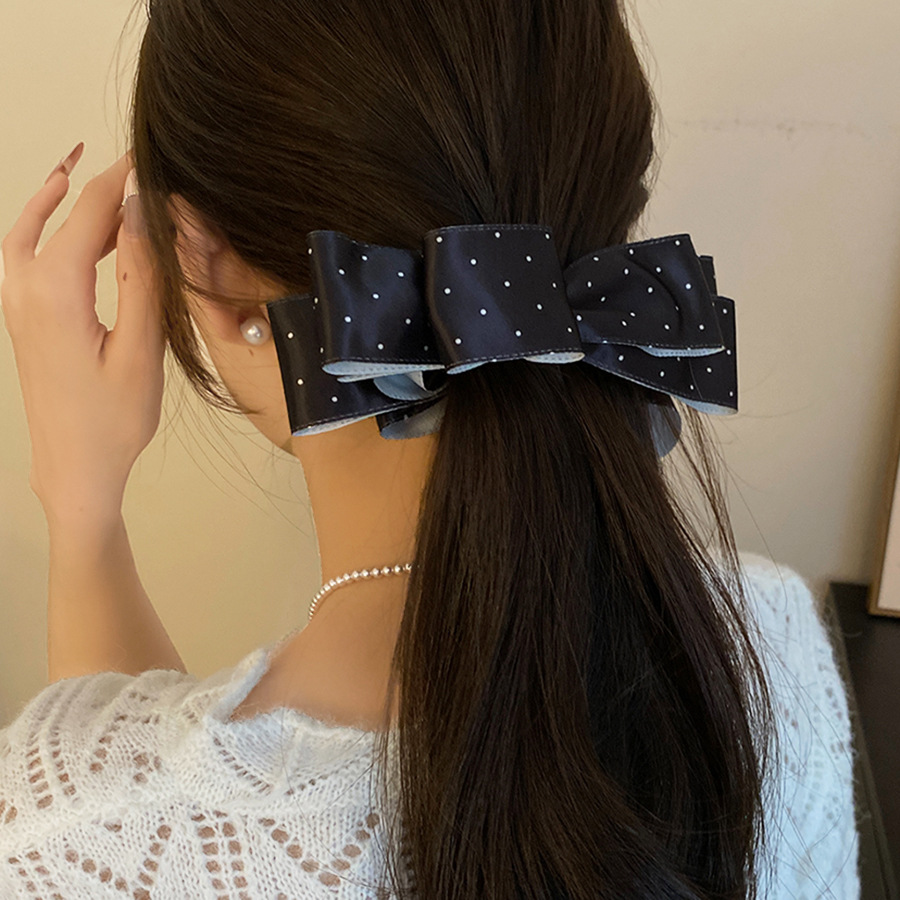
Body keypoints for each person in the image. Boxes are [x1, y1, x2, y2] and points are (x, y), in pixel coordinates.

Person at [0, 0, 860, 897]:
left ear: (198, 255)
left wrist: (82, 512)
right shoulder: (774, 651)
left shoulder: (53, 840)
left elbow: (121, 829)